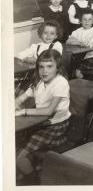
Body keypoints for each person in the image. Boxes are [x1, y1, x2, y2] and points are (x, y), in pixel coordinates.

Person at [15, 50, 71, 184]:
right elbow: (20, 99)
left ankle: (34, 182)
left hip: (55, 125)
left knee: (19, 158)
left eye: (49, 66)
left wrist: (23, 111)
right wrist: (14, 104)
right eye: (41, 66)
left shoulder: (61, 82)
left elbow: (49, 111)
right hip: (39, 122)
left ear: (58, 68)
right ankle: (25, 170)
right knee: (14, 144)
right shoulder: (38, 81)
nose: (44, 71)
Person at [66, 8, 93, 79]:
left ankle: (81, 79)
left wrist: (76, 42)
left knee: (76, 68)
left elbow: (88, 47)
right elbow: (68, 41)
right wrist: (79, 43)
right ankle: (75, 79)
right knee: (68, 63)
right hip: (79, 56)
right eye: (84, 19)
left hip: (92, 57)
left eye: (89, 19)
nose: (87, 22)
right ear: (80, 21)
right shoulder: (78, 31)